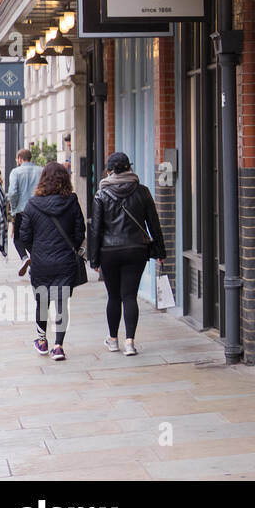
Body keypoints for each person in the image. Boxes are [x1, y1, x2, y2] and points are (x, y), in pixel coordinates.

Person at [88, 152, 165, 357]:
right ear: (129, 167)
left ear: (109, 170)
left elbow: (96, 229)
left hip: (109, 252)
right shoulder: (142, 191)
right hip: (136, 250)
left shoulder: (101, 194)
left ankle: (113, 340)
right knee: (130, 296)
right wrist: (160, 251)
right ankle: (130, 343)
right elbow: (153, 224)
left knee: (113, 296)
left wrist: (93, 258)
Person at [18, 162, 86, 361]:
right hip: (65, 260)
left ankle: (41, 340)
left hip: (41, 262)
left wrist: (36, 251)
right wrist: (69, 248)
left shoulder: (32, 204)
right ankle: (58, 346)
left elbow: (24, 235)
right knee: (62, 303)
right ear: (65, 178)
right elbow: (79, 230)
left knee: (42, 301)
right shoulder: (72, 201)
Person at [7, 149, 42, 258]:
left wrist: (13, 208)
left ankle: (25, 258)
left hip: (22, 211)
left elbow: (12, 193)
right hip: (39, 211)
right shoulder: (41, 170)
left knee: (18, 239)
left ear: (20, 159)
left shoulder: (16, 172)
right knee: (36, 238)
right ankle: (37, 260)